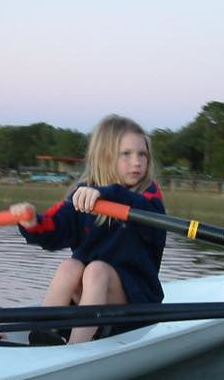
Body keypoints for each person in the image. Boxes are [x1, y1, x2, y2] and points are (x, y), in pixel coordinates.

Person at [9, 114, 166, 344]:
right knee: (69, 266)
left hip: (137, 301)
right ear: (104, 156)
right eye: (126, 154)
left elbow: (151, 221)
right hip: (92, 296)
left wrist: (108, 194)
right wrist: (31, 223)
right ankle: (42, 335)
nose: (137, 162)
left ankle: (77, 349)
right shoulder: (83, 194)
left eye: (142, 154)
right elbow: (54, 229)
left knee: (96, 270)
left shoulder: (149, 194)